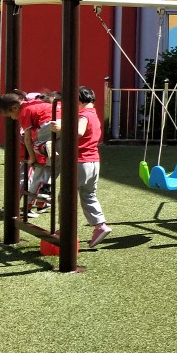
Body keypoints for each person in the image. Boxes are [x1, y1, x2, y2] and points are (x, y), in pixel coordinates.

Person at [50, 86, 110, 248]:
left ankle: (65, 229)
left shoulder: (83, 115)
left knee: (65, 196)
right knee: (89, 195)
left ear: (78, 100)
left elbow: (79, 132)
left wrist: (62, 127)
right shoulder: (94, 114)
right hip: (93, 162)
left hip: (80, 162)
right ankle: (100, 225)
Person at [0, 89, 61, 214]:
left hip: (48, 127)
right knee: (53, 167)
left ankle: (43, 146)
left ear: (15, 107)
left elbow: (26, 139)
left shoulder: (24, 111)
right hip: (62, 125)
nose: (12, 118)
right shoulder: (37, 105)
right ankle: (44, 194)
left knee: (35, 142)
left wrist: (32, 158)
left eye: (10, 115)